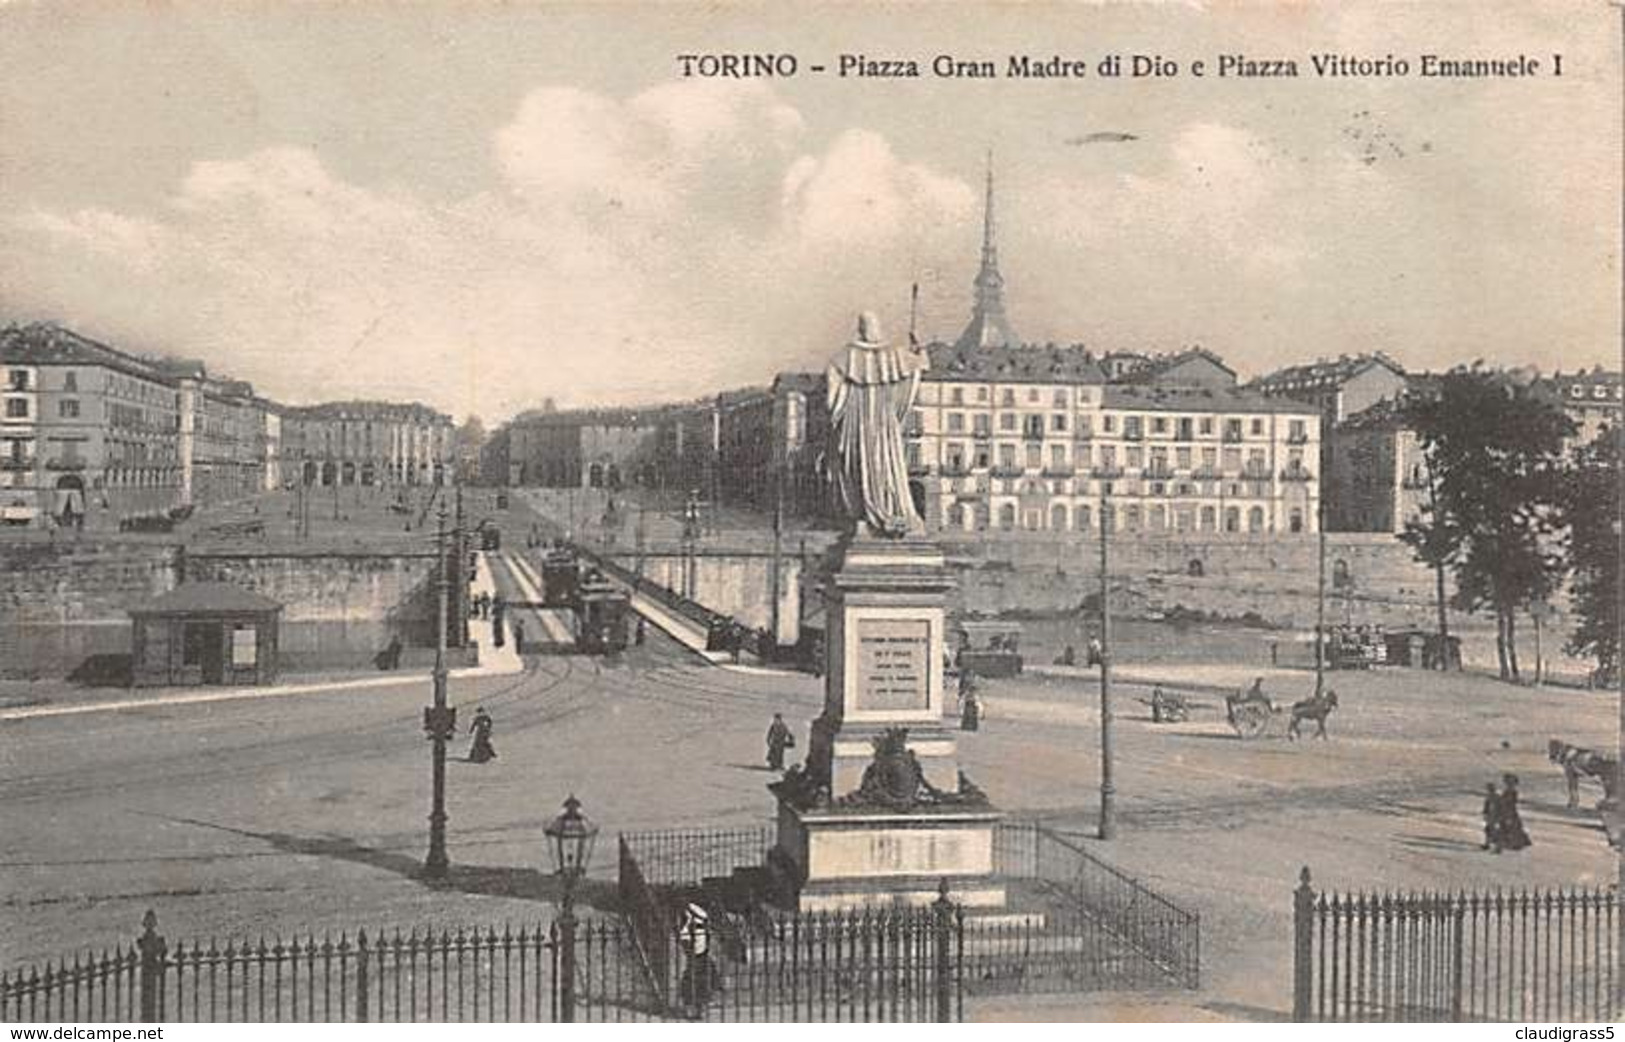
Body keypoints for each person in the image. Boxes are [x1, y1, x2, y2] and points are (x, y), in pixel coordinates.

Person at [677, 902, 714, 1018]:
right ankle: (690, 1006)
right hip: (693, 951)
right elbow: (684, 933)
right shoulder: (689, 915)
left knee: (703, 978)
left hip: (701, 951)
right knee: (691, 978)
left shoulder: (699, 915)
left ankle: (700, 1006)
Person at [1498, 774, 1531, 851]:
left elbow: (1510, 803)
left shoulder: (1511, 792)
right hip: (1509, 811)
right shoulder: (1509, 791)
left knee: (1512, 827)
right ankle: (1511, 842)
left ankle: (1514, 843)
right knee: (1511, 827)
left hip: (1510, 811)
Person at [1482, 782, 1502, 853]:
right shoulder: (1489, 796)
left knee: (1493, 831)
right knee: (1488, 830)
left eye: (1490, 788)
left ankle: (1497, 846)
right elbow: (1486, 806)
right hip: (1491, 816)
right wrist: (1485, 814)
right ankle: (1487, 844)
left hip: (1495, 816)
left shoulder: (1497, 797)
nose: (1489, 790)